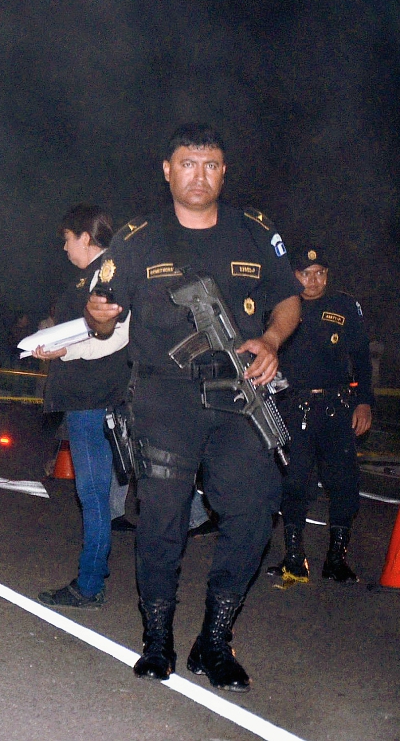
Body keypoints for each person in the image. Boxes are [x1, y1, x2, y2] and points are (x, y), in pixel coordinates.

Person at [85, 124, 301, 691]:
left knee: (253, 518)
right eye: (187, 164)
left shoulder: (255, 232)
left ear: (224, 172)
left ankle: (215, 638)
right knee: (160, 524)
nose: (198, 175)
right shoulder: (138, 237)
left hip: (239, 395)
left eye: (210, 166)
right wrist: (101, 316)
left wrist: (273, 342)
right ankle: (158, 640)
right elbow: (103, 311)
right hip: (164, 398)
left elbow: (287, 300)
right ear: (167, 169)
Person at [34, 205, 131, 609]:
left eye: (67, 239)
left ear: (86, 238)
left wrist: (62, 352)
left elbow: (115, 338)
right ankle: (92, 577)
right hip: (85, 398)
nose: (64, 247)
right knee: (94, 495)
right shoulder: (89, 278)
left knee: (92, 496)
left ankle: (90, 585)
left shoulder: (107, 273)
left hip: (94, 399)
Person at [267, 245, 373, 584]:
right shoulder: (281, 307)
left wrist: (364, 401)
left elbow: (361, 358)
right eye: (305, 273)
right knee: (295, 481)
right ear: (293, 275)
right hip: (293, 407)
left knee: (344, 484)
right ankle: (294, 559)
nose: (313, 280)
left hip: (337, 408)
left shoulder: (345, 306)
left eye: (320, 273)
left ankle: (336, 560)